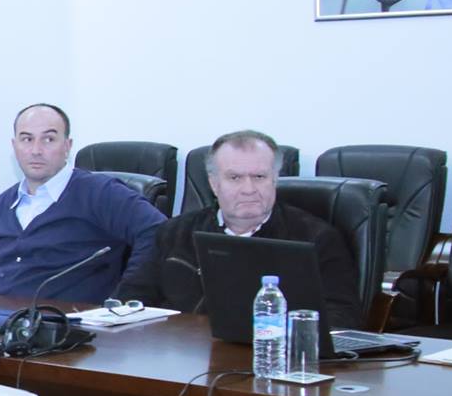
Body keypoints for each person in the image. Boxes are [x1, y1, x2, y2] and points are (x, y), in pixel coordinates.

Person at [117, 129, 363, 330]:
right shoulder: (174, 232)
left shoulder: (316, 238)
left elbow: (342, 319)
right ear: (214, 184)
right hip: (183, 357)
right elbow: (130, 301)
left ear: (275, 179)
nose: (248, 189)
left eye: (259, 177)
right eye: (235, 178)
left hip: (270, 359)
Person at [0, 103, 165, 301]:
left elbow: (159, 231)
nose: (36, 150)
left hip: (61, 316)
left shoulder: (99, 192)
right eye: (27, 139)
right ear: (14, 146)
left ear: (67, 146)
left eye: (49, 139)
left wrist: (125, 299)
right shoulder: (5, 201)